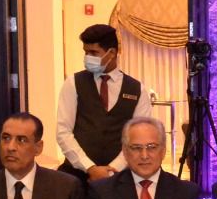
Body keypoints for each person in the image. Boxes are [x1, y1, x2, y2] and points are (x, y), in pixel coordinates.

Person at [55, 24, 152, 183]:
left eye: (93, 53)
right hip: (77, 176)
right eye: (86, 52)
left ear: (111, 53)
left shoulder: (137, 89)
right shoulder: (73, 83)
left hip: (121, 177)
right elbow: (63, 131)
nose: (87, 57)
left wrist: (113, 170)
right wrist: (90, 168)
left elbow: (139, 136)